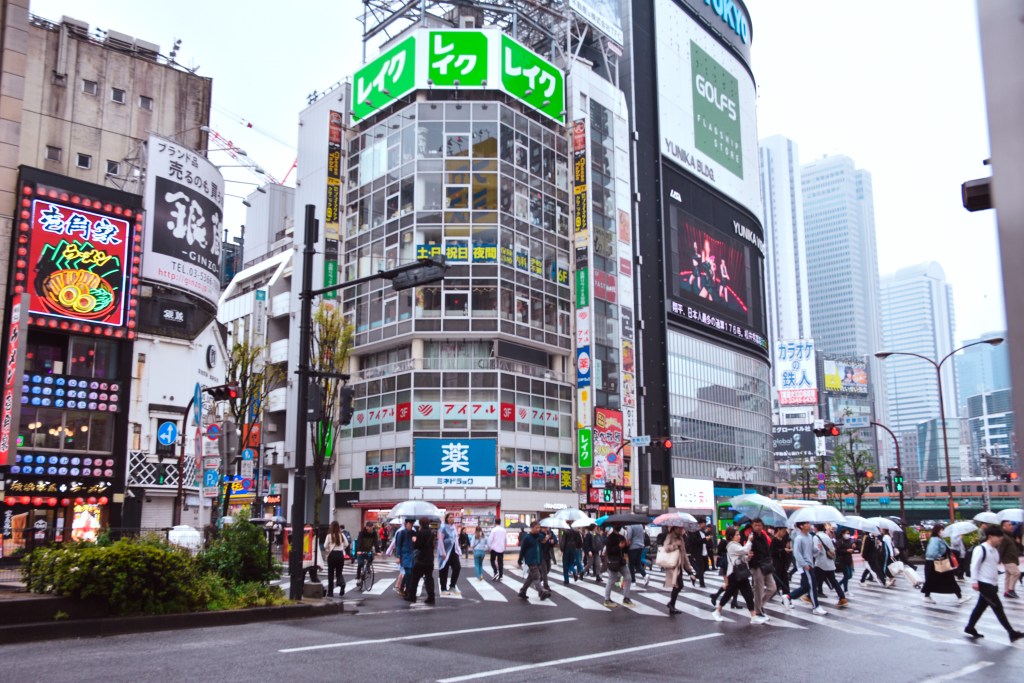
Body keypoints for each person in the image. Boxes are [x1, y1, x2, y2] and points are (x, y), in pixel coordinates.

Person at [965, 525, 1024, 642]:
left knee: (980, 607)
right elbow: (974, 566)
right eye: (998, 537)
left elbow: (993, 565)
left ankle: (970, 627)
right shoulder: (981, 549)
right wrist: (974, 581)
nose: (1000, 540)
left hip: (992, 583)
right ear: (990, 536)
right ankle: (1011, 632)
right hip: (984, 584)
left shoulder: (995, 550)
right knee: (998, 607)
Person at [712, 526, 767, 624]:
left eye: (738, 534)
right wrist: (749, 541)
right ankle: (717, 611)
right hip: (734, 574)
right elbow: (744, 550)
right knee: (729, 593)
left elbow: (741, 558)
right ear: (731, 536)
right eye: (736, 535)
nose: (739, 536)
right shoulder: (731, 545)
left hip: (740, 573)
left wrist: (747, 558)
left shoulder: (736, 545)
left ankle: (753, 616)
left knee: (748, 594)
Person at [782, 520, 826, 616]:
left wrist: (819, 549)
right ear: (801, 526)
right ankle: (816, 607)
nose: (809, 525)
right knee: (813, 586)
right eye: (806, 524)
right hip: (805, 566)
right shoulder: (799, 538)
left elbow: (812, 551)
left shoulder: (810, 536)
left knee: (807, 586)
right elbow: (797, 553)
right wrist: (804, 564)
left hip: (810, 564)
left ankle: (788, 597)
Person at [922, 523, 966, 604]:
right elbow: (931, 552)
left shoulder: (939, 539)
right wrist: (939, 556)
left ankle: (927, 596)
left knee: (934, 580)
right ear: (938, 531)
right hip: (936, 563)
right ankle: (960, 597)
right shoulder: (935, 540)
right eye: (942, 530)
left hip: (939, 563)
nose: (943, 532)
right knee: (946, 580)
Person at [661, 526, 695, 616]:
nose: (682, 530)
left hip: (679, 564)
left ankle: (671, 604)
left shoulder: (681, 538)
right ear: (675, 528)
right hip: (672, 565)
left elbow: (684, 554)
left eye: (682, 528)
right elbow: (666, 548)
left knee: (679, 585)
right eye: (680, 528)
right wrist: (676, 545)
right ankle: (671, 605)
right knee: (678, 585)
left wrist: (689, 570)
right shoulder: (670, 536)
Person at [812, 524, 848, 607]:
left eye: (814, 527)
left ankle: (809, 596)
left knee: (814, 580)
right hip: (829, 563)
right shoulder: (827, 536)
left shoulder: (816, 537)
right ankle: (842, 598)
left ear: (816, 528)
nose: (813, 529)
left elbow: (817, 551)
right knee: (833, 581)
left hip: (820, 563)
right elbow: (833, 549)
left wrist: (815, 553)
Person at [748, 518, 778, 617]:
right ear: (752, 526)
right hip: (756, 566)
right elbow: (747, 550)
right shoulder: (751, 537)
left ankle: (760, 605)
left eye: (759, 525)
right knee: (759, 589)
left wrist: (769, 560)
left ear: (762, 526)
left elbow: (767, 550)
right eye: (755, 525)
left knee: (772, 588)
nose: (758, 527)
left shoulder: (764, 536)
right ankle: (757, 610)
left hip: (766, 564)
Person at [405, 517, 436, 605]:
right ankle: (431, 597)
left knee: (415, 578)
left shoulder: (421, 532)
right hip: (430, 559)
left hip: (421, 559)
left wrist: (415, 540)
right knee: (429, 578)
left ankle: (412, 596)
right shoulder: (431, 532)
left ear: (421, 524)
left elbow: (418, 546)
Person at [517, 520, 550, 601]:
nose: (538, 529)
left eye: (539, 528)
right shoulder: (527, 538)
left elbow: (544, 542)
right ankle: (541, 592)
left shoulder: (539, 536)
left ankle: (522, 591)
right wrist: (520, 559)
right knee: (536, 577)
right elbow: (523, 549)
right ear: (532, 528)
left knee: (530, 578)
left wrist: (546, 539)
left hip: (538, 559)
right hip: (531, 560)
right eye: (536, 528)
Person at [603, 524, 635, 608]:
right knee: (611, 579)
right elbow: (609, 551)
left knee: (628, 578)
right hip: (613, 561)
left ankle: (626, 598)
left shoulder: (621, 537)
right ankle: (607, 599)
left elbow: (625, 550)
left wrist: (627, 545)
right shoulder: (610, 538)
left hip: (621, 561)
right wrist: (618, 547)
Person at [437, 513, 462, 596]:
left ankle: (452, 586)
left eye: (453, 517)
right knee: (444, 569)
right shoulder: (443, 527)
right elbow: (440, 540)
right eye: (450, 517)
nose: (452, 518)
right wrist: (443, 552)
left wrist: (458, 550)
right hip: (445, 552)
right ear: (447, 519)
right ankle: (443, 588)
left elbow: (456, 539)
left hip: (453, 551)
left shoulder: (454, 527)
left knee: (457, 567)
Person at [998, 519, 1021, 599]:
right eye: (1009, 525)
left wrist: (1017, 542)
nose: (1011, 526)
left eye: (1011, 524)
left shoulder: (1009, 536)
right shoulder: (1004, 537)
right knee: (1016, 573)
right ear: (1003, 527)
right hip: (1008, 559)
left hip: (1011, 559)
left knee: (1008, 576)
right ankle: (1011, 590)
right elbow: (1001, 549)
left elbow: (1014, 547)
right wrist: (998, 560)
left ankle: (1006, 591)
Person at [324, 521, 346, 598]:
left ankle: (330, 592)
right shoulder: (342, 535)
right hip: (340, 555)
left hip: (332, 555)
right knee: (339, 573)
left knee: (331, 574)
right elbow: (346, 544)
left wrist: (329, 548)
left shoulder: (329, 536)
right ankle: (342, 583)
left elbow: (325, 546)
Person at [394, 518, 415, 596]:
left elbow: (416, 544)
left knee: (411, 573)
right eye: (410, 523)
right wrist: (398, 556)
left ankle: (407, 589)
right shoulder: (401, 533)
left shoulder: (413, 533)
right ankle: (402, 587)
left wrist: (416, 540)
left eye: (412, 524)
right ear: (406, 523)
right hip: (404, 555)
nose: (411, 525)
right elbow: (398, 546)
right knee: (408, 572)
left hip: (412, 555)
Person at [687, 521, 710, 587]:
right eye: (703, 524)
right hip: (697, 552)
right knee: (701, 567)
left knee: (706, 567)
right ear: (699, 524)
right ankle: (702, 583)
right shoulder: (693, 532)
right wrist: (704, 539)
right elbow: (694, 542)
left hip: (704, 551)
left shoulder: (703, 532)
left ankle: (694, 577)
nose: (704, 525)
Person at [770, 526, 792, 596]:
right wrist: (783, 550)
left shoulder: (782, 539)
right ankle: (768, 595)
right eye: (783, 531)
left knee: (785, 583)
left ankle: (787, 599)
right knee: (777, 582)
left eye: (785, 531)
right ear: (778, 530)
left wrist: (786, 550)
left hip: (783, 564)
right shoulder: (774, 540)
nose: (784, 533)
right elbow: (772, 552)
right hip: (776, 564)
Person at [835, 528, 856, 593]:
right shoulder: (840, 541)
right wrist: (846, 550)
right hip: (842, 560)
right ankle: (845, 589)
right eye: (846, 533)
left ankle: (838, 585)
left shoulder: (850, 541)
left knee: (850, 575)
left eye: (848, 533)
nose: (848, 535)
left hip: (848, 560)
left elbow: (852, 549)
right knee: (847, 575)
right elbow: (837, 551)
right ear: (842, 534)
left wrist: (853, 548)